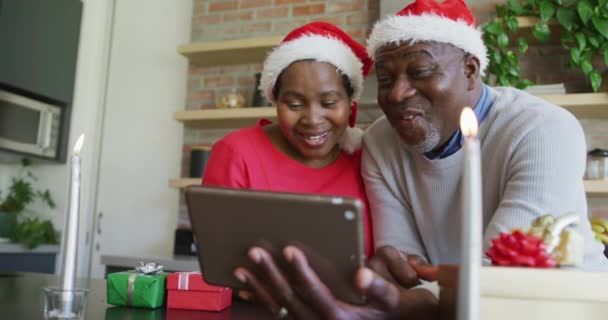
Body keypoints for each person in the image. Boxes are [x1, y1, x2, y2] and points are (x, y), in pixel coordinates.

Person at [234, 0, 608, 319]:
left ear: (471, 70)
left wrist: (411, 298)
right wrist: (392, 283)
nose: (397, 94)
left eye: (421, 72)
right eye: (386, 77)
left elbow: (500, 270)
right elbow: (403, 262)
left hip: (562, 308)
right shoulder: (381, 140)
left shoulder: (541, 129)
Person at [202, 21, 375, 258]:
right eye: (294, 104)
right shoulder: (237, 153)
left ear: (350, 102)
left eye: (329, 103)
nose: (313, 119)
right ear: (275, 100)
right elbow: (217, 253)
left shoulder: (368, 158)